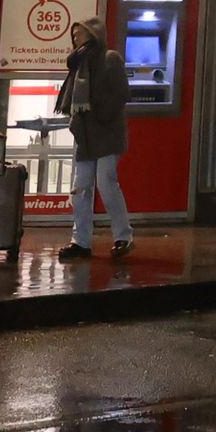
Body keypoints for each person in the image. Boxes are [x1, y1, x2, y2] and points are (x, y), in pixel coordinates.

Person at [54, 16, 133, 258]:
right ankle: (81, 241)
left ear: (93, 34)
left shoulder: (110, 58)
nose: (75, 38)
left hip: (106, 132)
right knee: (81, 189)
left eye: (79, 33)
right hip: (86, 135)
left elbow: (120, 93)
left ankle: (123, 236)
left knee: (107, 185)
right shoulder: (78, 63)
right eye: (74, 34)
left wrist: (97, 114)